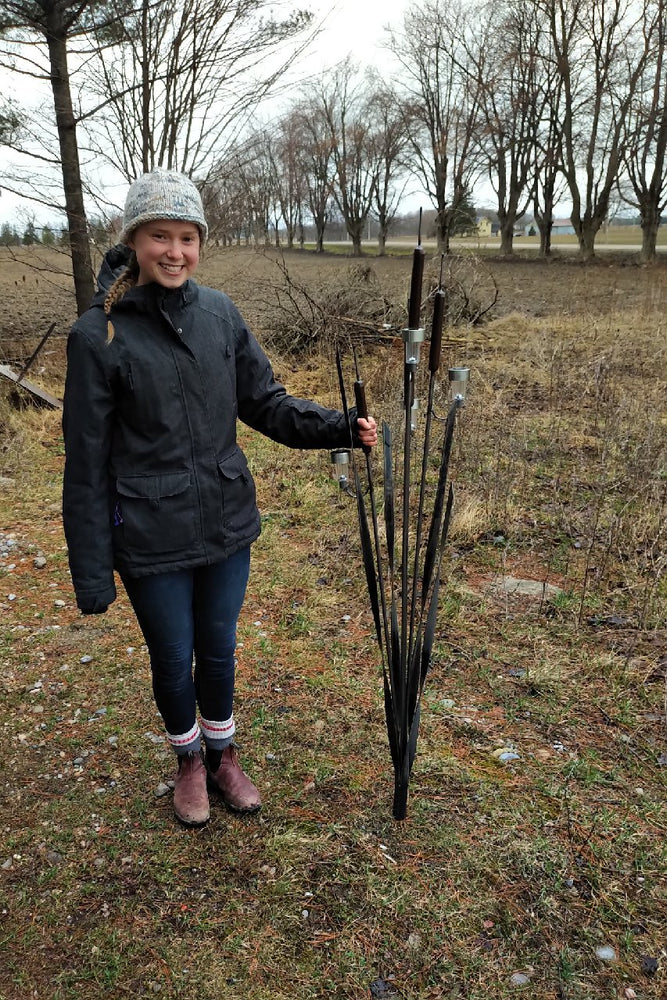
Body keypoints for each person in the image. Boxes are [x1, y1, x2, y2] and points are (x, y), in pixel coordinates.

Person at [62, 169, 377, 827]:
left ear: (199, 242)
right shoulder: (100, 336)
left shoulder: (220, 314)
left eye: (186, 237)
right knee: (173, 657)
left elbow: (264, 402)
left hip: (226, 523)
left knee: (219, 647)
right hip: (150, 534)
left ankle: (223, 752)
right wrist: (93, 573)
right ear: (135, 242)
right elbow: (86, 464)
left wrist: (339, 427)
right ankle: (188, 763)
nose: (174, 251)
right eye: (159, 237)